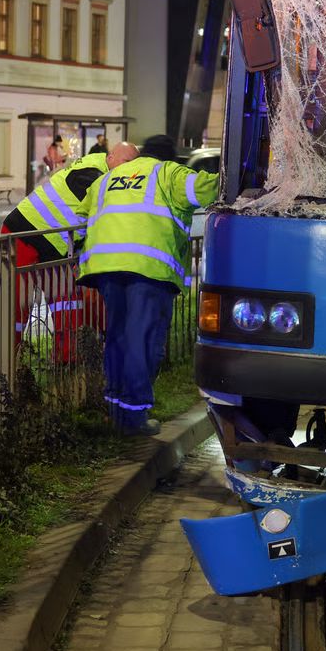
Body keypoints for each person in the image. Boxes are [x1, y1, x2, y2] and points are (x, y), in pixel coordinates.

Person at [80, 141, 219, 434]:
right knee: (143, 340)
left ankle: (116, 410)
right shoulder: (167, 173)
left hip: (106, 267)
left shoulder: (105, 180)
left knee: (118, 337)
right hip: (149, 268)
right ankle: (133, 418)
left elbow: (83, 211)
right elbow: (209, 189)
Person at [0, 148, 111, 362]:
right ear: (110, 158)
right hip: (25, 234)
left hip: (55, 246)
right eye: (126, 162)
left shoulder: (99, 172)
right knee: (15, 307)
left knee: (68, 303)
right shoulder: (93, 173)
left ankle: (68, 364)